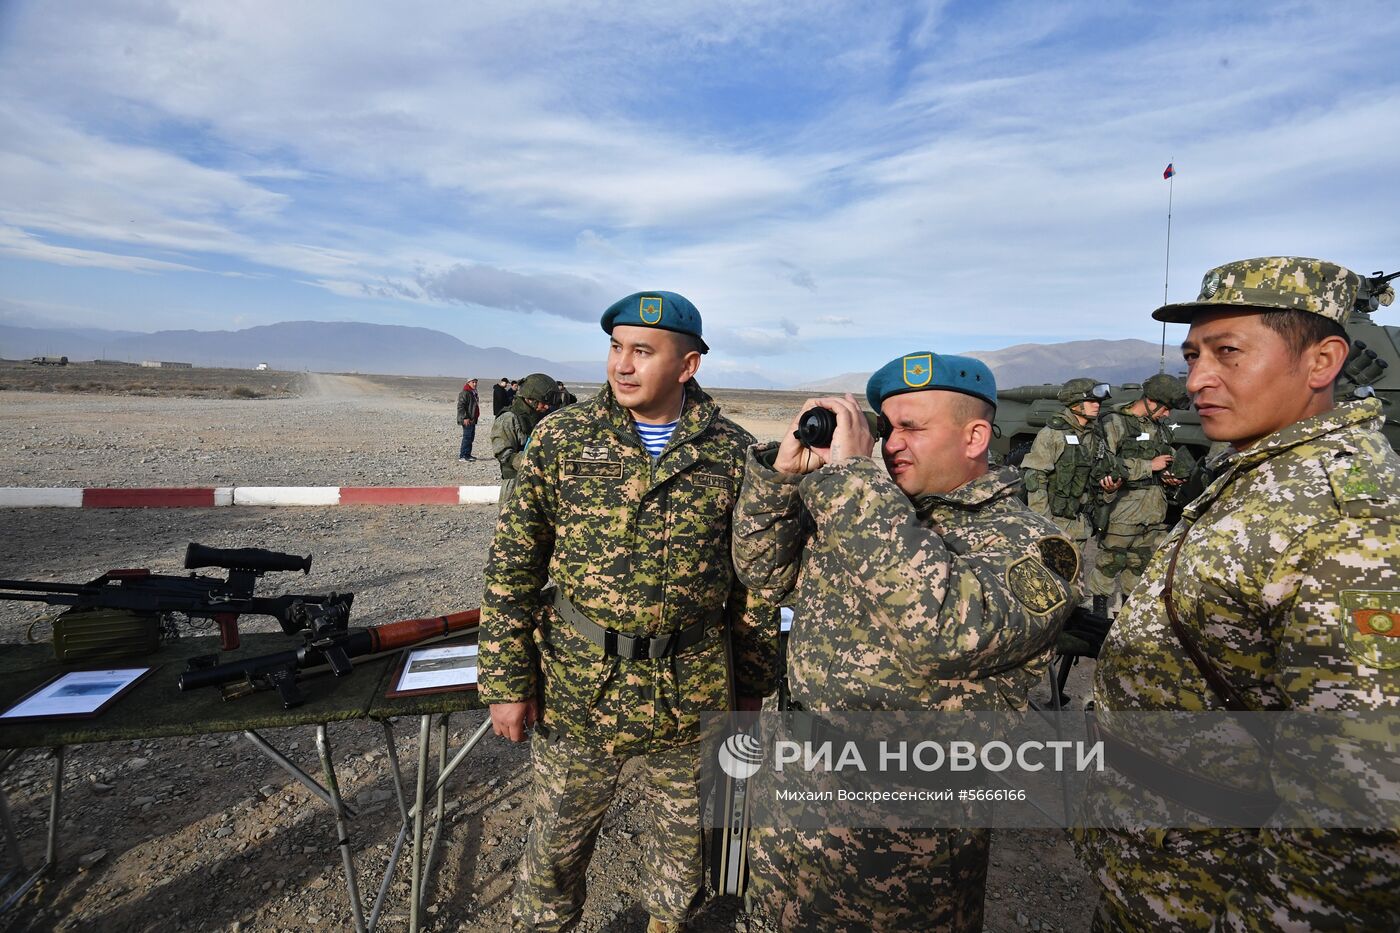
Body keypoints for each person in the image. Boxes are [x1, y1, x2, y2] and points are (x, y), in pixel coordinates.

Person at [1075, 257, 1400, 930]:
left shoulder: (1352, 521)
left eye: (1228, 353)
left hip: (1218, 891)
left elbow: (1362, 806)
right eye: (1194, 355)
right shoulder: (1265, 474)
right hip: (1165, 866)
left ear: (1323, 361)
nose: (1198, 379)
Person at [732, 351, 1080, 931]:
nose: (891, 443)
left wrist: (854, 487)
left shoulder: (1033, 543)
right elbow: (762, 570)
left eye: (912, 427)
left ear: (975, 437)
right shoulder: (867, 508)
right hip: (794, 789)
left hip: (901, 826)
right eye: (886, 428)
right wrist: (782, 480)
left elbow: (945, 635)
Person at [478, 290, 777, 933]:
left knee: (685, 860)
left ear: (687, 366)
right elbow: (513, 569)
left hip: (692, 691)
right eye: (616, 347)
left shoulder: (731, 453)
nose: (622, 365)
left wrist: (750, 690)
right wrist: (506, 682)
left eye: (642, 351)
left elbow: (753, 589)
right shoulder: (561, 437)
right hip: (579, 686)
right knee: (553, 859)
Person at [1083, 373, 1192, 615]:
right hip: (1123, 511)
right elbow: (1102, 465)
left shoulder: (1161, 429)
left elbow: (1165, 461)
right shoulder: (1115, 423)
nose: (1168, 415)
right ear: (1151, 401)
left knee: (1139, 566)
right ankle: (1099, 616)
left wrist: (1168, 476)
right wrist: (1148, 466)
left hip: (1153, 513)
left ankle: (1125, 616)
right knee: (1110, 563)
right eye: (1166, 409)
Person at [1020, 377, 1118, 567]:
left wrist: (1109, 489)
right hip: (1054, 523)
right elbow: (1035, 479)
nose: (1096, 406)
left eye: (1098, 401)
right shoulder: (1052, 434)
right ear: (1074, 403)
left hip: (1080, 523)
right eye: (1090, 401)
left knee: (1074, 580)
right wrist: (1043, 525)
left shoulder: (1095, 437)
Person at [490, 373, 555, 508]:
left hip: (542, 483)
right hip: (516, 483)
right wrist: (534, 461)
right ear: (531, 399)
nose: (547, 407)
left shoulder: (543, 418)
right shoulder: (509, 418)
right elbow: (504, 454)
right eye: (544, 402)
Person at [456, 377, 480, 461]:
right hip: (467, 419)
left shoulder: (473, 392)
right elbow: (461, 406)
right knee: (467, 437)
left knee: (471, 437)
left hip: (472, 419)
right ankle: (463, 455)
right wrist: (465, 417)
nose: (475, 384)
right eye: (473, 382)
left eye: (476, 382)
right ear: (468, 383)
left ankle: (468, 454)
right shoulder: (465, 393)